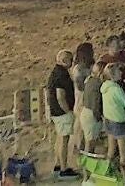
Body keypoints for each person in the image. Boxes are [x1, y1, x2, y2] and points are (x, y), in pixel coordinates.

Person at [46, 50, 79, 179]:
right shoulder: (61, 76)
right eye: (71, 60)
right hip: (62, 113)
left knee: (59, 139)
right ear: (65, 61)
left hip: (55, 111)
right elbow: (60, 96)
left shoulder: (55, 72)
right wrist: (68, 111)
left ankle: (58, 165)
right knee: (64, 141)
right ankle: (64, 169)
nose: (72, 62)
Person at [101, 62, 125, 167]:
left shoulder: (105, 86)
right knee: (123, 153)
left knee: (111, 150)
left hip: (108, 119)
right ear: (113, 75)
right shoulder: (116, 89)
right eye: (118, 71)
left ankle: (107, 170)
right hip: (118, 121)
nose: (121, 73)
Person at [70, 42, 96, 154]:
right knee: (80, 127)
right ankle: (78, 147)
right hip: (81, 100)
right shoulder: (79, 69)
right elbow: (81, 87)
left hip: (86, 99)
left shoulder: (87, 66)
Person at [79, 61, 105, 153]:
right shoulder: (98, 84)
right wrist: (99, 118)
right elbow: (95, 103)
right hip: (91, 115)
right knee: (90, 144)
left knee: (88, 142)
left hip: (85, 112)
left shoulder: (89, 80)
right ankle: (86, 161)